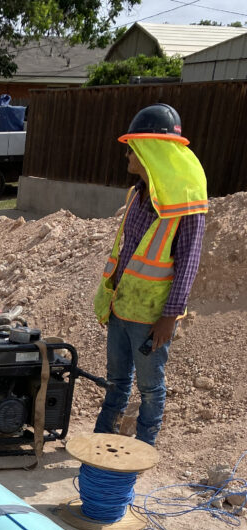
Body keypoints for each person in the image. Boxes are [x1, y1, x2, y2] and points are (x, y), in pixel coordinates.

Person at [93, 104, 207, 445]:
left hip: (150, 318)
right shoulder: (137, 194)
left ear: (152, 152)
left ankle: (144, 448)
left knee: (150, 388)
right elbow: (127, 251)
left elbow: (187, 263)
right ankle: (102, 442)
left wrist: (170, 318)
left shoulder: (186, 205)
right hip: (121, 307)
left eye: (134, 148)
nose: (128, 154)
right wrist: (109, 297)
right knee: (116, 381)